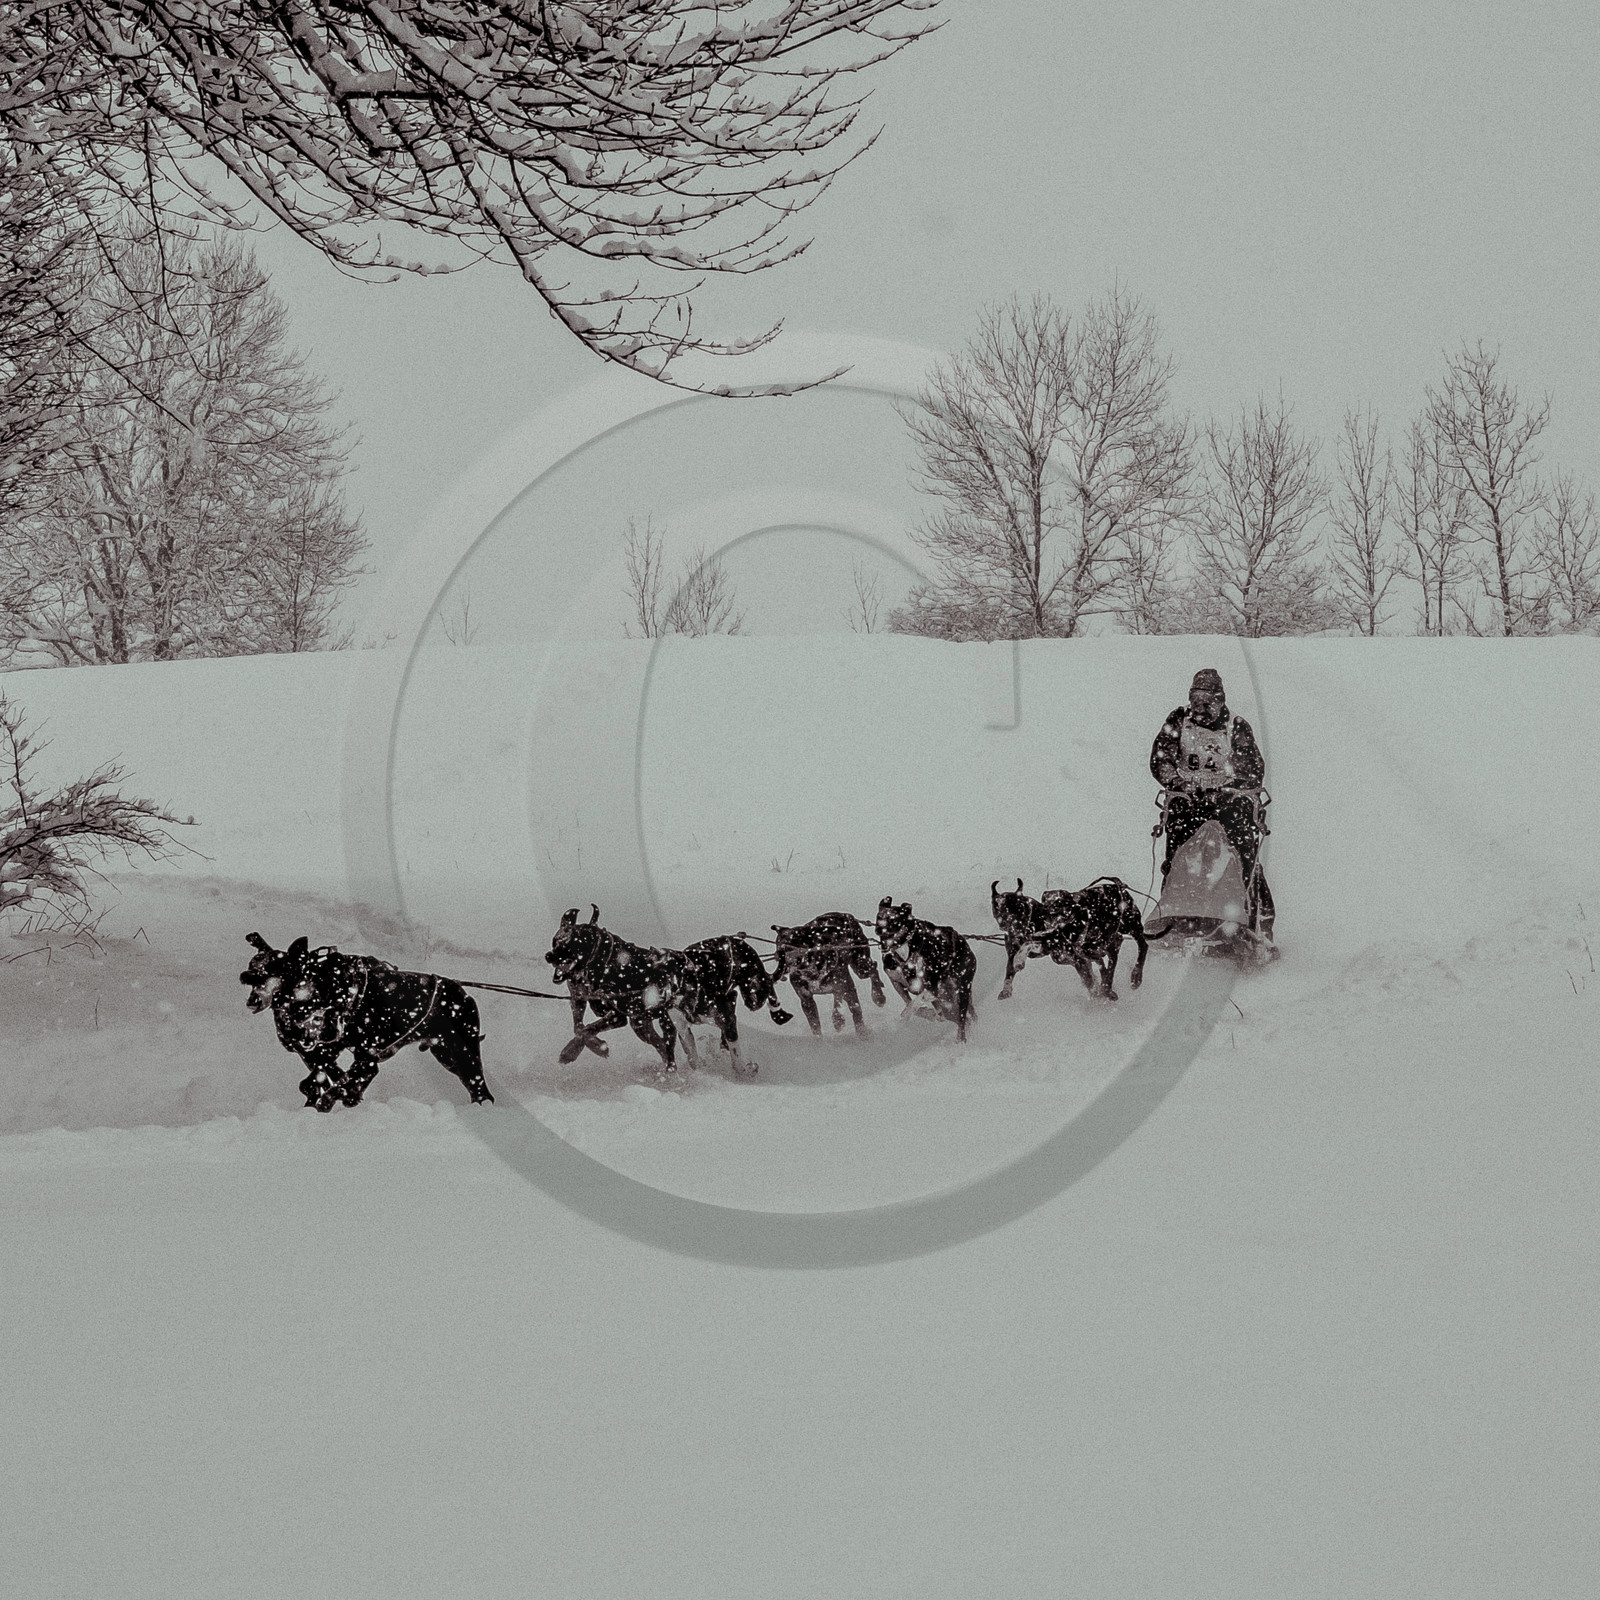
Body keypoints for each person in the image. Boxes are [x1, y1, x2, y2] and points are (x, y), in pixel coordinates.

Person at [1149, 667, 1274, 938]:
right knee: (1177, 859)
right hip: (1187, 801)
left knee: (1243, 857)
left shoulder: (1236, 727)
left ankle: (1252, 919)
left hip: (1229, 803)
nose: (1201, 708)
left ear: (1220, 701)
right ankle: (1174, 916)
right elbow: (1161, 758)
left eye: (1208, 702)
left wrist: (1229, 787)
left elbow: (1251, 767)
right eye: (1196, 701)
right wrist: (1178, 783)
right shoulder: (1179, 722)